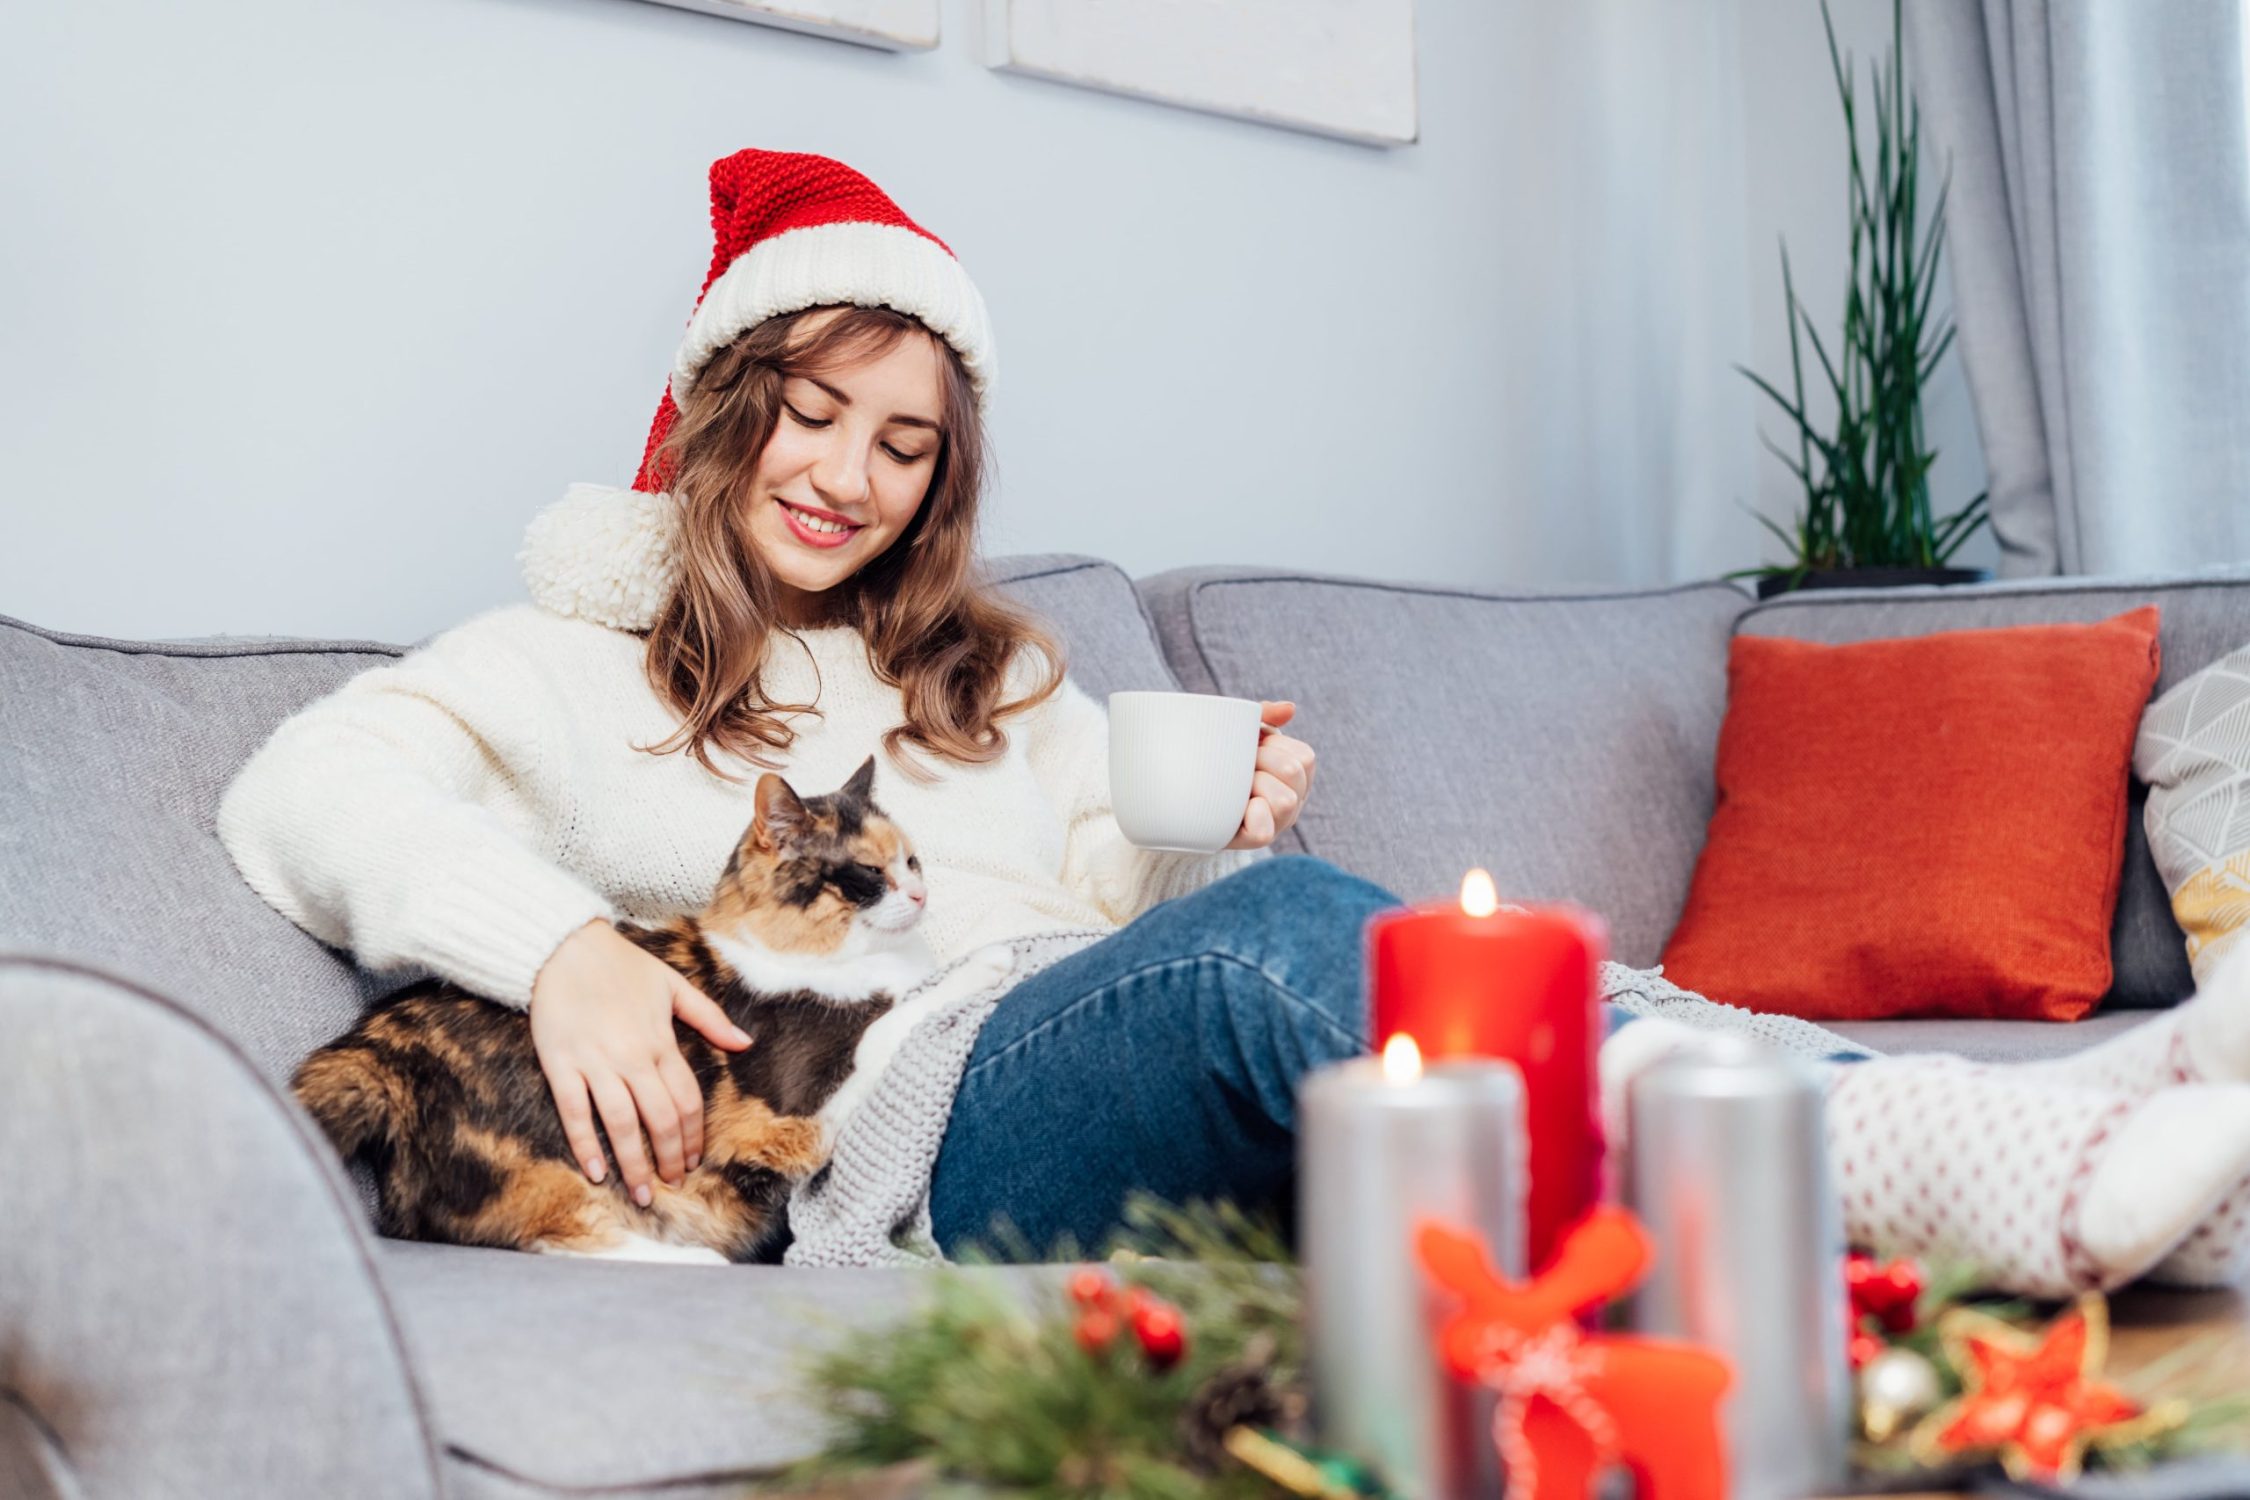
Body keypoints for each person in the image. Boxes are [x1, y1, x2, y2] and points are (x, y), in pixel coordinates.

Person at [221, 148, 2250, 1296]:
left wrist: (1220, 820)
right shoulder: (573, 655)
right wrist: (562, 953)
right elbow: (303, 785)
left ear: (947, 481)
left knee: (1457, 976)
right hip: (898, 1145)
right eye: (815, 416)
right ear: (732, 408)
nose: (850, 476)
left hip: (1102, 1054)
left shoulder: (988, 677)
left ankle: (2057, 1131)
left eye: (907, 447)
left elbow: (1141, 906)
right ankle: (1938, 1162)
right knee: (1284, 956)